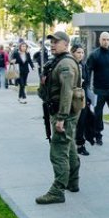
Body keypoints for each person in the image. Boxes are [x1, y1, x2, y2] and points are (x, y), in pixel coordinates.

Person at [35, 31, 81, 205]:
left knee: (58, 151)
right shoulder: (58, 61)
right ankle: (73, 181)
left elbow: (67, 92)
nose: (52, 44)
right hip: (62, 112)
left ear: (66, 43)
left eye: (56, 41)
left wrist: (61, 117)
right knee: (69, 147)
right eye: (51, 42)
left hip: (64, 114)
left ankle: (57, 191)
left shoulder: (65, 64)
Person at [72, 44, 96, 156]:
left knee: (82, 121)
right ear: (73, 53)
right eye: (78, 52)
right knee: (72, 122)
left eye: (82, 52)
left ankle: (80, 145)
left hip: (82, 97)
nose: (81, 55)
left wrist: (88, 99)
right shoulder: (70, 65)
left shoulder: (83, 65)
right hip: (71, 97)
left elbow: (86, 83)